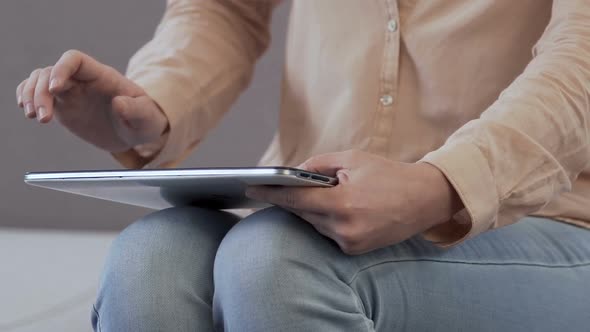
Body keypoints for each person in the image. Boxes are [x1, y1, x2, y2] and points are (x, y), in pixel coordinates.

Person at [15, 0, 590, 331]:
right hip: (306, 214)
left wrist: (441, 184)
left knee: (278, 264)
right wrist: (145, 107)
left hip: (546, 220)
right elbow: (223, 9)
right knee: (151, 261)